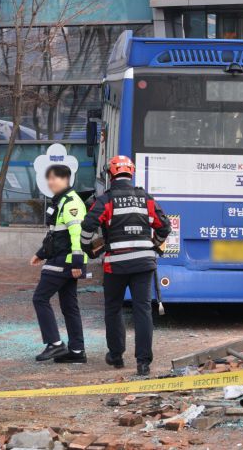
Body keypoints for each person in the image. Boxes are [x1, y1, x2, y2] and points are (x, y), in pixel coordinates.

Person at [81, 155, 171, 376]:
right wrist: (156, 245)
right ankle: (143, 363)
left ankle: (116, 356)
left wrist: (89, 247)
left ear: (111, 174)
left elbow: (88, 225)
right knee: (142, 310)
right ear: (131, 173)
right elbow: (164, 227)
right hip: (144, 264)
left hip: (116, 265)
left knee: (113, 309)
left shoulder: (106, 200)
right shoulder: (145, 198)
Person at [30, 165, 87, 363]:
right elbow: (56, 235)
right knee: (69, 305)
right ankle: (77, 351)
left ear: (65, 179)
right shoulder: (62, 200)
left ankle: (55, 344)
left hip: (66, 260)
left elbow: (76, 234)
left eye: (53, 178)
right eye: (49, 179)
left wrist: (77, 263)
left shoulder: (71, 202)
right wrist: (41, 253)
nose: (50, 182)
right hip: (66, 259)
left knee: (40, 298)